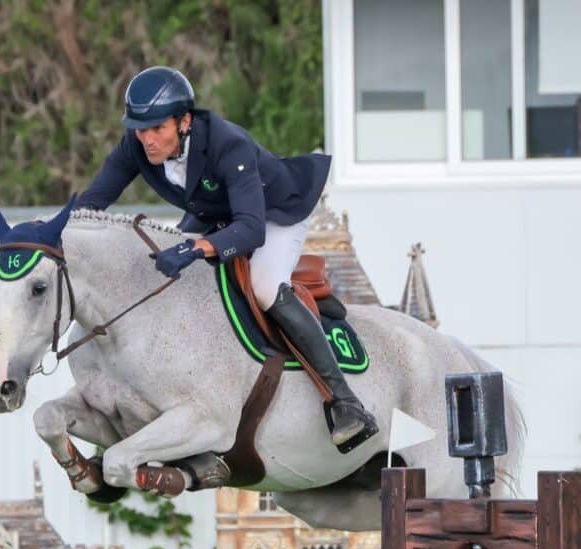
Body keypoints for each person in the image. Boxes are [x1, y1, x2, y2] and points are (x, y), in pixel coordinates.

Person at [75, 66, 377, 450]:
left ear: (184, 121)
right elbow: (91, 205)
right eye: (139, 129)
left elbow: (250, 229)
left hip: (275, 211)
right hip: (216, 212)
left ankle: (345, 402)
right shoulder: (136, 146)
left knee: (264, 287)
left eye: (157, 129)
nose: (147, 139)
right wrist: (48, 236)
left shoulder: (226, 144)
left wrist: (196, 248)